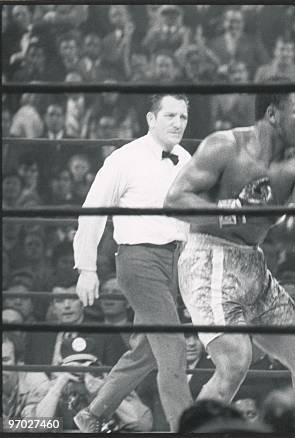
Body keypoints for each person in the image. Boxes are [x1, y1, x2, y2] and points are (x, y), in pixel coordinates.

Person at [164, 80, 295, 430]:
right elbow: (175, 200)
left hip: (254, 264)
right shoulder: (225, 146)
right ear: (272, 114)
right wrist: (237, 210)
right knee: (235, 361)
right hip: (207, 260)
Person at [71, 94, 193, 432]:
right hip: (138, 261)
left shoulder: (185, 158)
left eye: (183, 116)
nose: (177, 123)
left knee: (146, 351)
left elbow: (198, 211)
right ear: (151, 119)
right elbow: (92, 211)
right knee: (172, 345)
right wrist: (87, 268)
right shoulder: (124, 159)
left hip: (176, 261)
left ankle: (93, 414)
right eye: (170, 115)